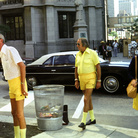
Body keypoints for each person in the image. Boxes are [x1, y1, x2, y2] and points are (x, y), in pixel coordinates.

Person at [0, 34, 28, 138]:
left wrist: (22, 85)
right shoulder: (1, 54)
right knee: (13, 112)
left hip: (18, 83)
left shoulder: (10, 50)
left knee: (20, 114)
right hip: (11, 84)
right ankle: (17, 136)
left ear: (0, 41)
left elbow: (22, 66)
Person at [75, 38, 101, 129]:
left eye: (78, 44)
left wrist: (99, 80)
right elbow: (76, 68)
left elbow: (98, 66)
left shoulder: (92, 53)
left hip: (91, 77)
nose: (77, 45)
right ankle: (93, 118)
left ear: (84, 45)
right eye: (77, 44)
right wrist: (76, 80)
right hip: (81, 78)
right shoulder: (78, 54)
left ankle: (83, 121)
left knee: (85, 99)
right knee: (88, 99)